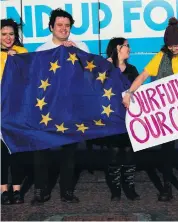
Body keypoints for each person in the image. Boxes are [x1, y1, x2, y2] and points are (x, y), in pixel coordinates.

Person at [122, 17, 178, 202]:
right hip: (168, 116)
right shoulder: (161, 56)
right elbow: (144, 75)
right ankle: (167, 189)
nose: (174, 48)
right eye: (170, 46)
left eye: (176, 45)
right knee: (167, 153)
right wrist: (130, 92)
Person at [31, 8, 90, 205]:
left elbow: (89, 72)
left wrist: (77, 53)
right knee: (41, 149)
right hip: (47, 108)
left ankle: (67, 191)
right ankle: (41, 190)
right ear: (51, 27)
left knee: (69, 151)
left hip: (70, 107)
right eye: (59, 25)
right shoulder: (41, 50)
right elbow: (35, 79)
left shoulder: (80, 45)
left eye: (67, 25)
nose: (64, 29)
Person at [101, 37, 140, 201]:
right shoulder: (106, 68)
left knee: (130, 152)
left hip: (130, 118)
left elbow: (140, 91)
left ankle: (129, 187)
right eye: (127, 46)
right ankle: (116, 189)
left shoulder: (132, 69)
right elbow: (94, 86)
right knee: (114, 153)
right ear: (118, 48)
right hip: (113, 118)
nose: (129, 49)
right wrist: (104, 66)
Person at [1, 18, 28, 204]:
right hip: (0, 109)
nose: (8, 37)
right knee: (2, 151)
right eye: (4, 34)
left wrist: (16, 61)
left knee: (16, 150)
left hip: (18, 108)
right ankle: (4, 190)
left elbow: (28, 79)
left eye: (11, 34)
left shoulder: (23, 52)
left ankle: (17, 189)